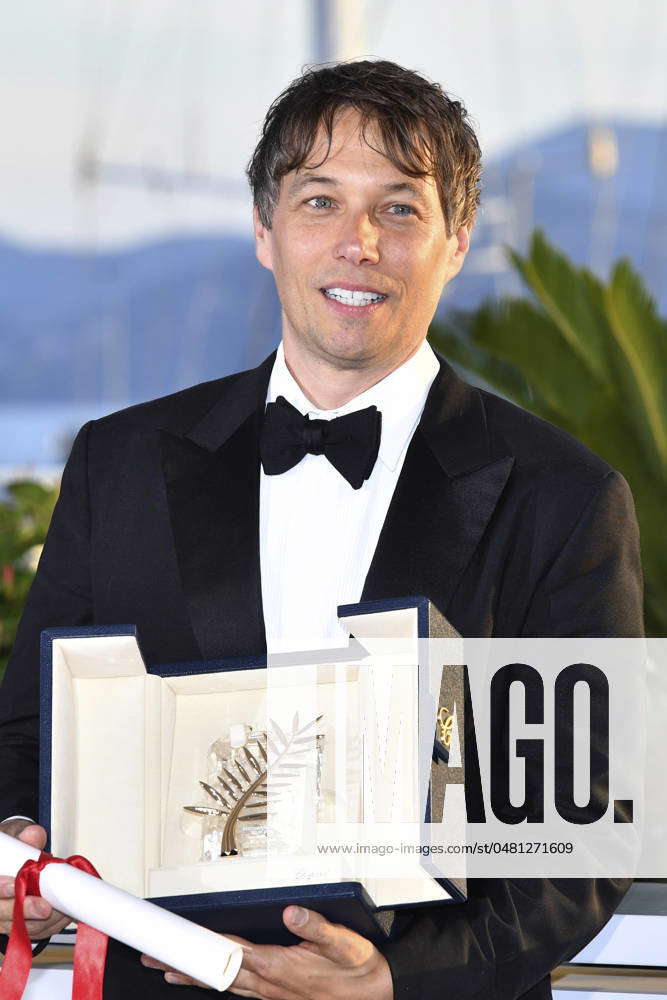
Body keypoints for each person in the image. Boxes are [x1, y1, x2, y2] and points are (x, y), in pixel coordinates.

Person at [0, 60, 643, 1000]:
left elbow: (584, 833)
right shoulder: (120, 460)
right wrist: (26, 846)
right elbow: (28, 739)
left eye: (399, 209)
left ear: (456, 239)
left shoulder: (566, 497)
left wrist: (393, 978)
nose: (358, 245)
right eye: (319, 203)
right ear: (264, 229)